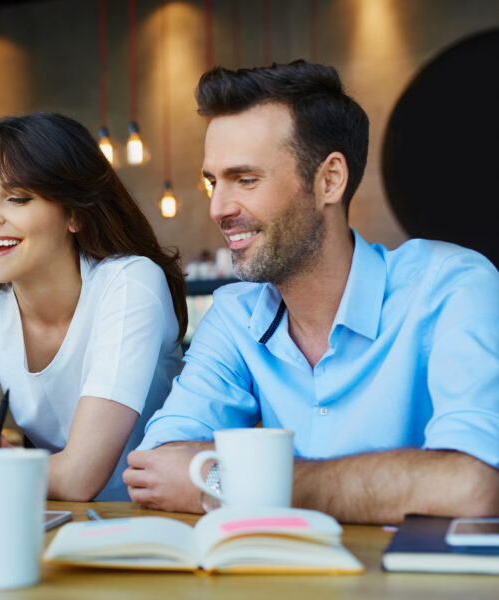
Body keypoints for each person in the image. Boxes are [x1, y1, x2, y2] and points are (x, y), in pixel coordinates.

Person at [124, 61, 499, 524]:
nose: (218, 208)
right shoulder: (233, 316)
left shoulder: (451, 287)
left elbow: (472, 486)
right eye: (212, 182)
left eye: (246, 179)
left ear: (329, 180)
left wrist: (251, 483)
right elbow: (155, 468)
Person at [0, 112, 187, 501]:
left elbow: (79, 477)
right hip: (50, 520)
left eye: (18, 198)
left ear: (74, 213)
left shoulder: (129, 282)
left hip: (150, 519)